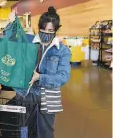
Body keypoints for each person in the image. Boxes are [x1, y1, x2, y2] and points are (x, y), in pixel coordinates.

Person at [14, 7, 71, 138]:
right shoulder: (29, 42)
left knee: (46, 130)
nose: (46, 33)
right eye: (43, 29)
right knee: (25, 129)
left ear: (56, 30)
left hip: (49, 94)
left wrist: (40, 77)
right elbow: (9, 42)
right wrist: (11, 23)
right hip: (26, 92)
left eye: (50, 30)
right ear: (39, 28)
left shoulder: (62, 50)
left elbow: (63, 76)